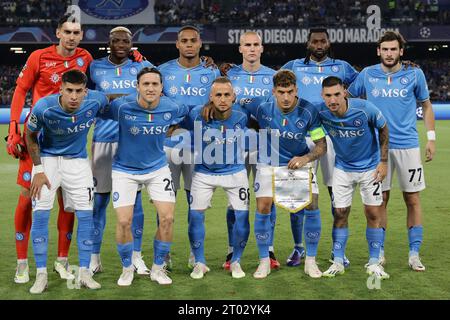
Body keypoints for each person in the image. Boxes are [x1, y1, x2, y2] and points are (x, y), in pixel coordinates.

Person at [6, 14, 93, 284]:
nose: (71, 36)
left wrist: (138, 61)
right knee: (27, 198)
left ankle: (62, 260)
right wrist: (13, 128)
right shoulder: (38, 58)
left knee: (67, 202)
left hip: (68, 141)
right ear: (57, 32)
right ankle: (22, 263)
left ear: (81, 35)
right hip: (38, 139)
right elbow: (20, 91)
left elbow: (106, 76)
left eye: (76, 32)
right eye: (67, 31)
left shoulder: (86, 58)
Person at [348, 31, 436, 271]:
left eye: (393, 49)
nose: (389, 53)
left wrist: (431, 138)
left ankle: (414, 254)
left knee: (412, 198)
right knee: (380, 199)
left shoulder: (414, 73)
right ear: (379, 51)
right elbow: (347, 99)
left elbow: (426, 107)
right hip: (376, 149)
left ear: (401, 51)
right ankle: (380, 252)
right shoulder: (367, 74)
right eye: (384, 49)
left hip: (408, 145)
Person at [98, 67, 188, 286]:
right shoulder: (121, 107)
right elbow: (96, 108)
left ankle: (158, 268)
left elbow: (189, 113)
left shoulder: (173, 107)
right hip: (124, 170)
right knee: (123, 221)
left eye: (155, 84)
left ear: (161, 88)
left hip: (157, 169)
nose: (150, 88)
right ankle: (127, 268)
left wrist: (173, 127)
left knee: (167, 218)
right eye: (145, 84)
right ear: (137, 86)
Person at [281, 28, 358, 268]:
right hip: (303, 136)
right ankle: (298, 248)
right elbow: (272, 82)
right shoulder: (293, 66)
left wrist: (406, 65)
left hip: (334, 136)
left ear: (329, 42)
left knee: (337, 193)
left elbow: (364, 81)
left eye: (323, 41)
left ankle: (338, 250)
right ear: (308, 44)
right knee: (297, 195)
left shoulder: (342, 67)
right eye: (315, 41)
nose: (319, 44)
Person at [25, 70, 105, 294]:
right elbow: (29, 135)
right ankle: (41, 275)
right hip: (48, 162)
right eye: (69, 90)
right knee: (41, 214)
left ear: (85, 92)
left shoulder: (95, 101)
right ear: (60, 89)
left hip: (78, 164)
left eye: (78, 91)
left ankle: (85, 274)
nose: (73, 96)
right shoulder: (44, 107)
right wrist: (39, 169)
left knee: (86, 216)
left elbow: (112, 100)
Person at [245, 70, 327, 279]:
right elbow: (237, 104)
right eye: (281, 92)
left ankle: (311, 261)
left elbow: (321, 145)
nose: (286, 97)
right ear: (273, 91)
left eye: (290, 91)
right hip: (268, 163)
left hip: (297, 163)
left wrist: (306, 159)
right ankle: (264, 261)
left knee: (312, 204)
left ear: (296, 90)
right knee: (263, 205)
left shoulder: (309, 110)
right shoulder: (261, 106)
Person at [88, 26, 154, 275]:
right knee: (100, 201)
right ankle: (94, 258)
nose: (120, 44)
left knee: (135, 203)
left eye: (125, 41)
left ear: (131, 43)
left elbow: (151, 95)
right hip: (103, 141)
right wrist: (126, 98)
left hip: (132, 141)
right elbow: (89, 97)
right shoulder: (94, 67)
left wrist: (110, 98)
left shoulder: (140, 68)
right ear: (109, 42)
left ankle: (137, 256)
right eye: (115, 40)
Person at [158, 25, 220, 268]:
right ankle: (163, 256)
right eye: (184, 40)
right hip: (168, 146)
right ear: (177, 44)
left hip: (199, 147)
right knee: (164, 205)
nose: (189, 44)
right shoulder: (163, 71)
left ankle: (197, 257)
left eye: (193, 40)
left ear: (200, 43)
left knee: (197, 206)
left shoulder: (211, 71)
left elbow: (221, 101)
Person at [316, 76, 390, 280]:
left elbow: (384, 128)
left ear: (345, 93)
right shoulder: (320, 111)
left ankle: (374, 262)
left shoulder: (365, 109)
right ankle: (338, 261)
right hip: (342, 168)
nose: (333, 100)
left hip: (370, 167)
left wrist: (383, 161)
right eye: (328, 96)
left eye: (337, 94)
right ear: (322, 96)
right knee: (340, 212)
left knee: (373, 213)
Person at [222, 31, 280, 271]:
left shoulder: (273, 76)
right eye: (247, 45)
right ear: (240, 49)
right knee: (234, 199)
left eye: (256, 44)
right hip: (234, 144)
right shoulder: (228, 75)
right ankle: (231, 249)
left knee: (267, 199)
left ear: (262, 48)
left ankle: (269, 249)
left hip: (267, 143)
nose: (252, 49)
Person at [186, 77, 251, 279]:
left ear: (234, 97)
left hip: (235, 171)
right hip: (204, 173)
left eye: (227, 95)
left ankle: (236, 261)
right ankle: (199, 262)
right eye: (218, 95)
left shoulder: (243, 115)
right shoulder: (196, 114)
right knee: (195, 215)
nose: (222, 99)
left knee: (242, 217)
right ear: (210, 97)